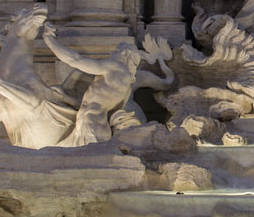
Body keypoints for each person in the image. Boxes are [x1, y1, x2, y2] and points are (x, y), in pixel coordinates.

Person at [40, 26, 171, 147]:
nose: (112, 55)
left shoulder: (116, 68)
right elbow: (98, 102)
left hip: (92, 125)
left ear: (124, 54)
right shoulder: (125, 84)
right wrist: (67, 99)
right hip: (92, 124)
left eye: (116, 51)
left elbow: (75, 60)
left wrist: (49, 40)